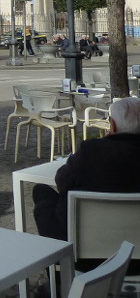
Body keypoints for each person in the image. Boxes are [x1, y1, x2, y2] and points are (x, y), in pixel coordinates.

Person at [33, 97, 140, 242]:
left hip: (80, 243)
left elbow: (62, 183)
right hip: (133, 242)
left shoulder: (92, 151)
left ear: (112, 125)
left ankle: (53, 255)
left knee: (41, 190)